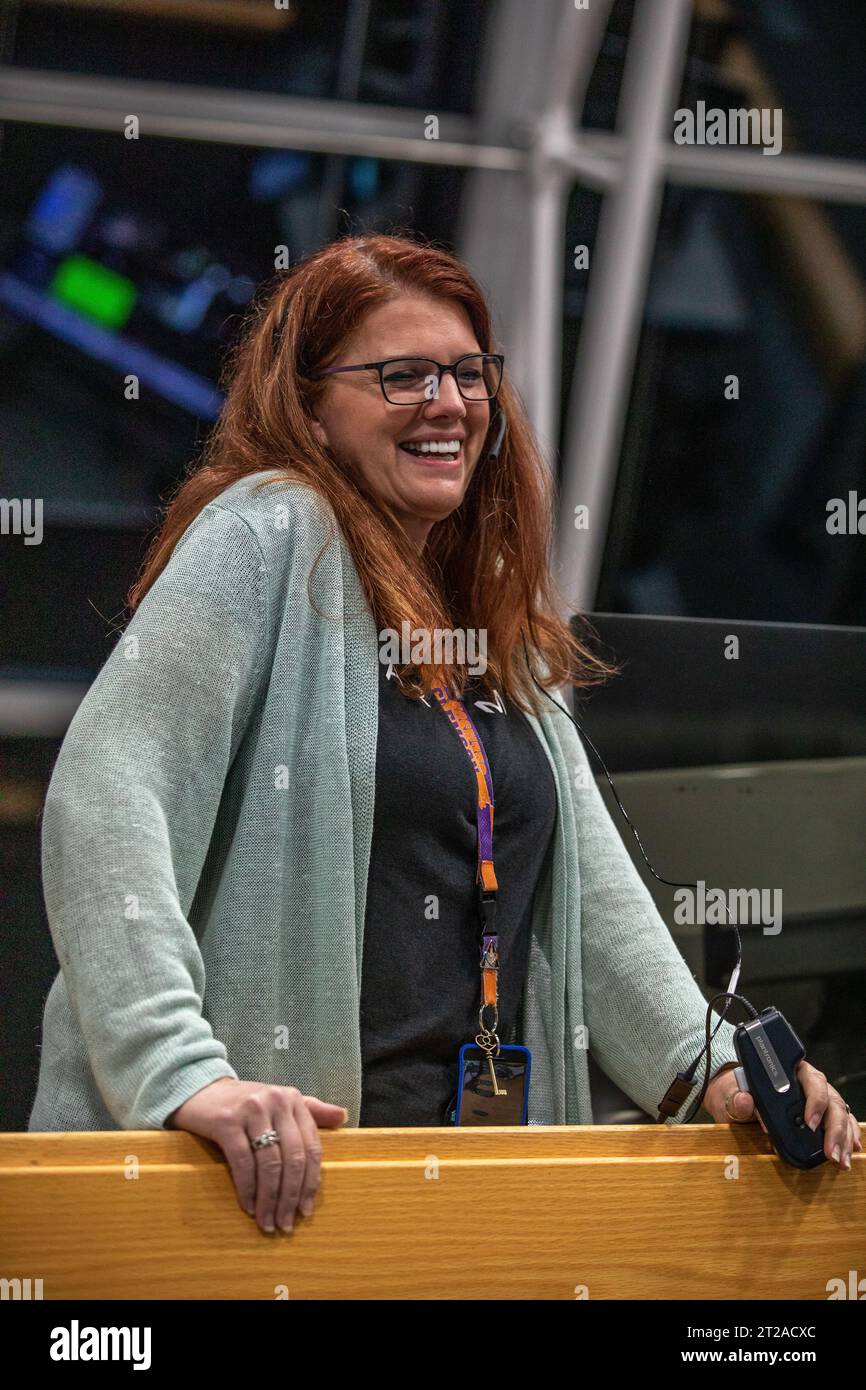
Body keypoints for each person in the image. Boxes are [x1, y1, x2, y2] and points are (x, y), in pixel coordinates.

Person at [28, 234, 860, 1235]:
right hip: (259, 1198)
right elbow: (106, 795)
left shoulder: (481, 614)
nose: (449, 402)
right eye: (401, 375)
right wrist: (181, 1073)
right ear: (310, 412)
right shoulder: (268, 531)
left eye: (468, 374)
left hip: (454, 1189)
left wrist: (716, 1068)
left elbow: (596, 906)